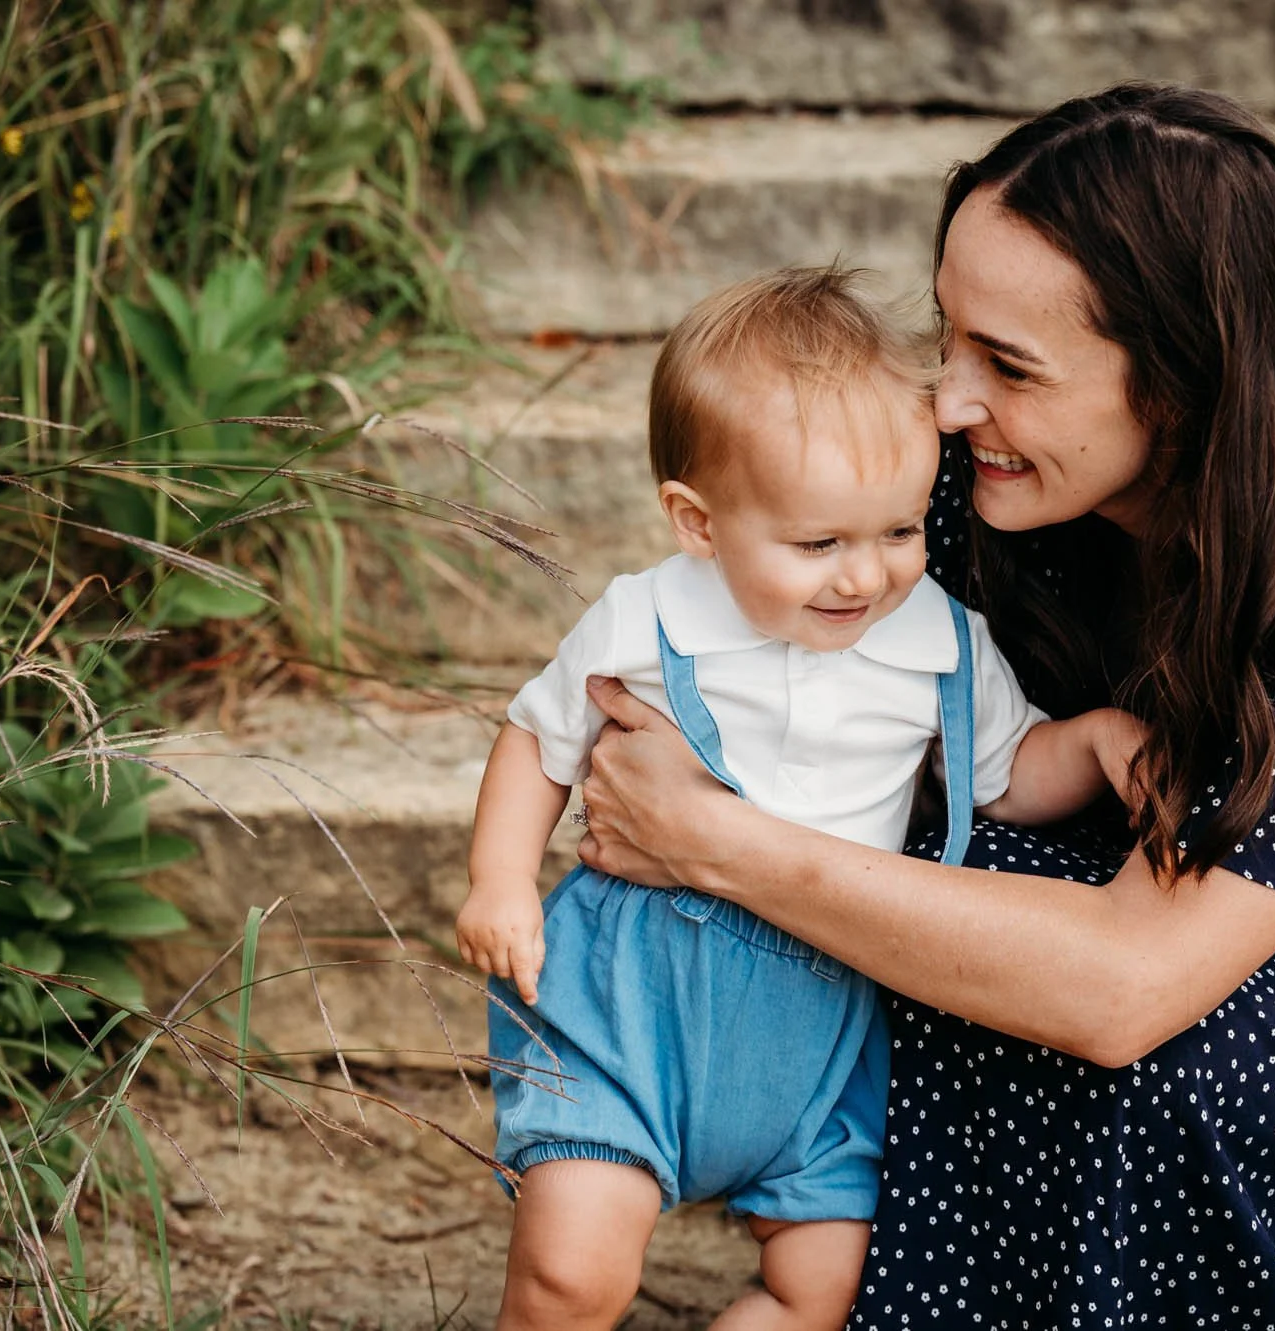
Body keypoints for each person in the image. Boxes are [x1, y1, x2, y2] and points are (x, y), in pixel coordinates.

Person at [572, 85, 1275, 1329]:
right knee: (920, 910)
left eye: (1008, 365)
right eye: (947, 336)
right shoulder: (976, 470)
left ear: (1180, 382)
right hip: (1086, 834)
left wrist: (713, 838)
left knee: (1175, 1057)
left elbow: (1126, 988)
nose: (950, 401)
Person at [456, 266, 1143, 1331]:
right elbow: (537, 741)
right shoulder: (648, 621)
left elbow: (1004, 777)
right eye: (817, 542)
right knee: (571, 1272)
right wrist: (500, 878)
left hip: (823, 1031)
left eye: (899, 531)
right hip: (634, 1001)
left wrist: (1093, 744)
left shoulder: (940, 644)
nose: (863, 577)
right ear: (696, 521)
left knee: (822, 1286)